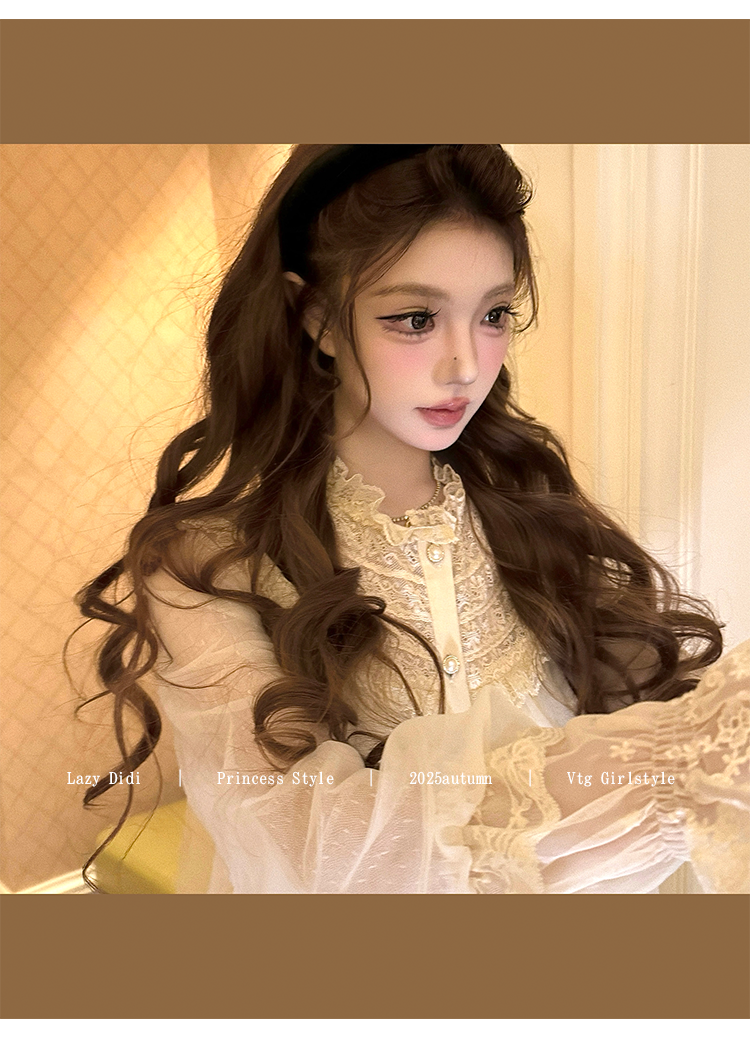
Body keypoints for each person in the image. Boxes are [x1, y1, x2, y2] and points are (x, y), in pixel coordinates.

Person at [76, 144, 749, 894]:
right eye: (417, 318)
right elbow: (305, 844)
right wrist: (682, 751)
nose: (467, 364)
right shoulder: (207, 562)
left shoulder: (533, 524)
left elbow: (649, 751)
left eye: (494, 315)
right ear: (319, 318)